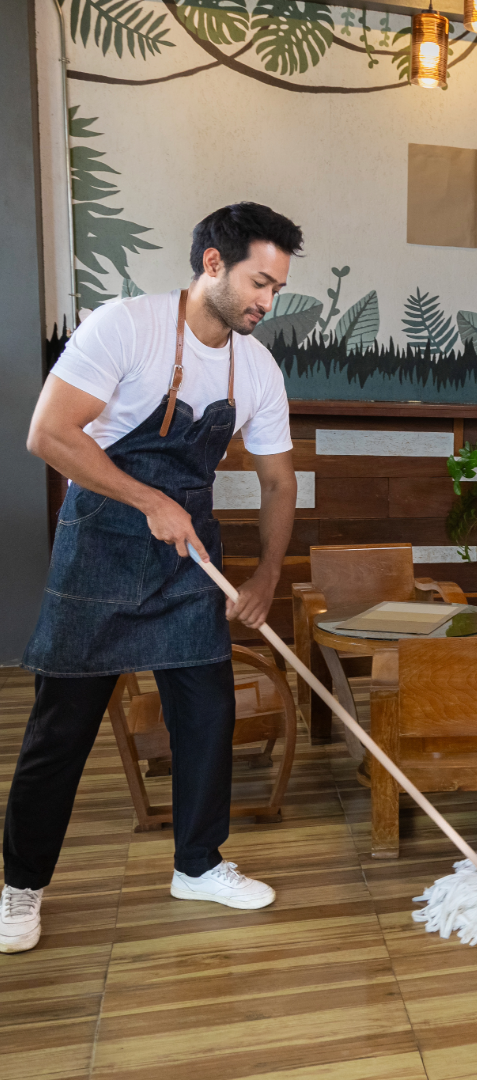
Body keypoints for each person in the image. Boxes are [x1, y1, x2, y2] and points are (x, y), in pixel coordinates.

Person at [0, 203, 302, 954]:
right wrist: (147, 500)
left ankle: (198, 864)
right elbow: (49, 434)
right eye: (259, 283)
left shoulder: (255, 366)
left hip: (184, 558)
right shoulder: (124, 327)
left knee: (207, 716)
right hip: (98, 545)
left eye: (277, 290)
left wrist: (265, 574)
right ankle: (20, 886)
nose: (267, 302)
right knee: (60, 729)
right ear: (211, 264)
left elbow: (279, 484)